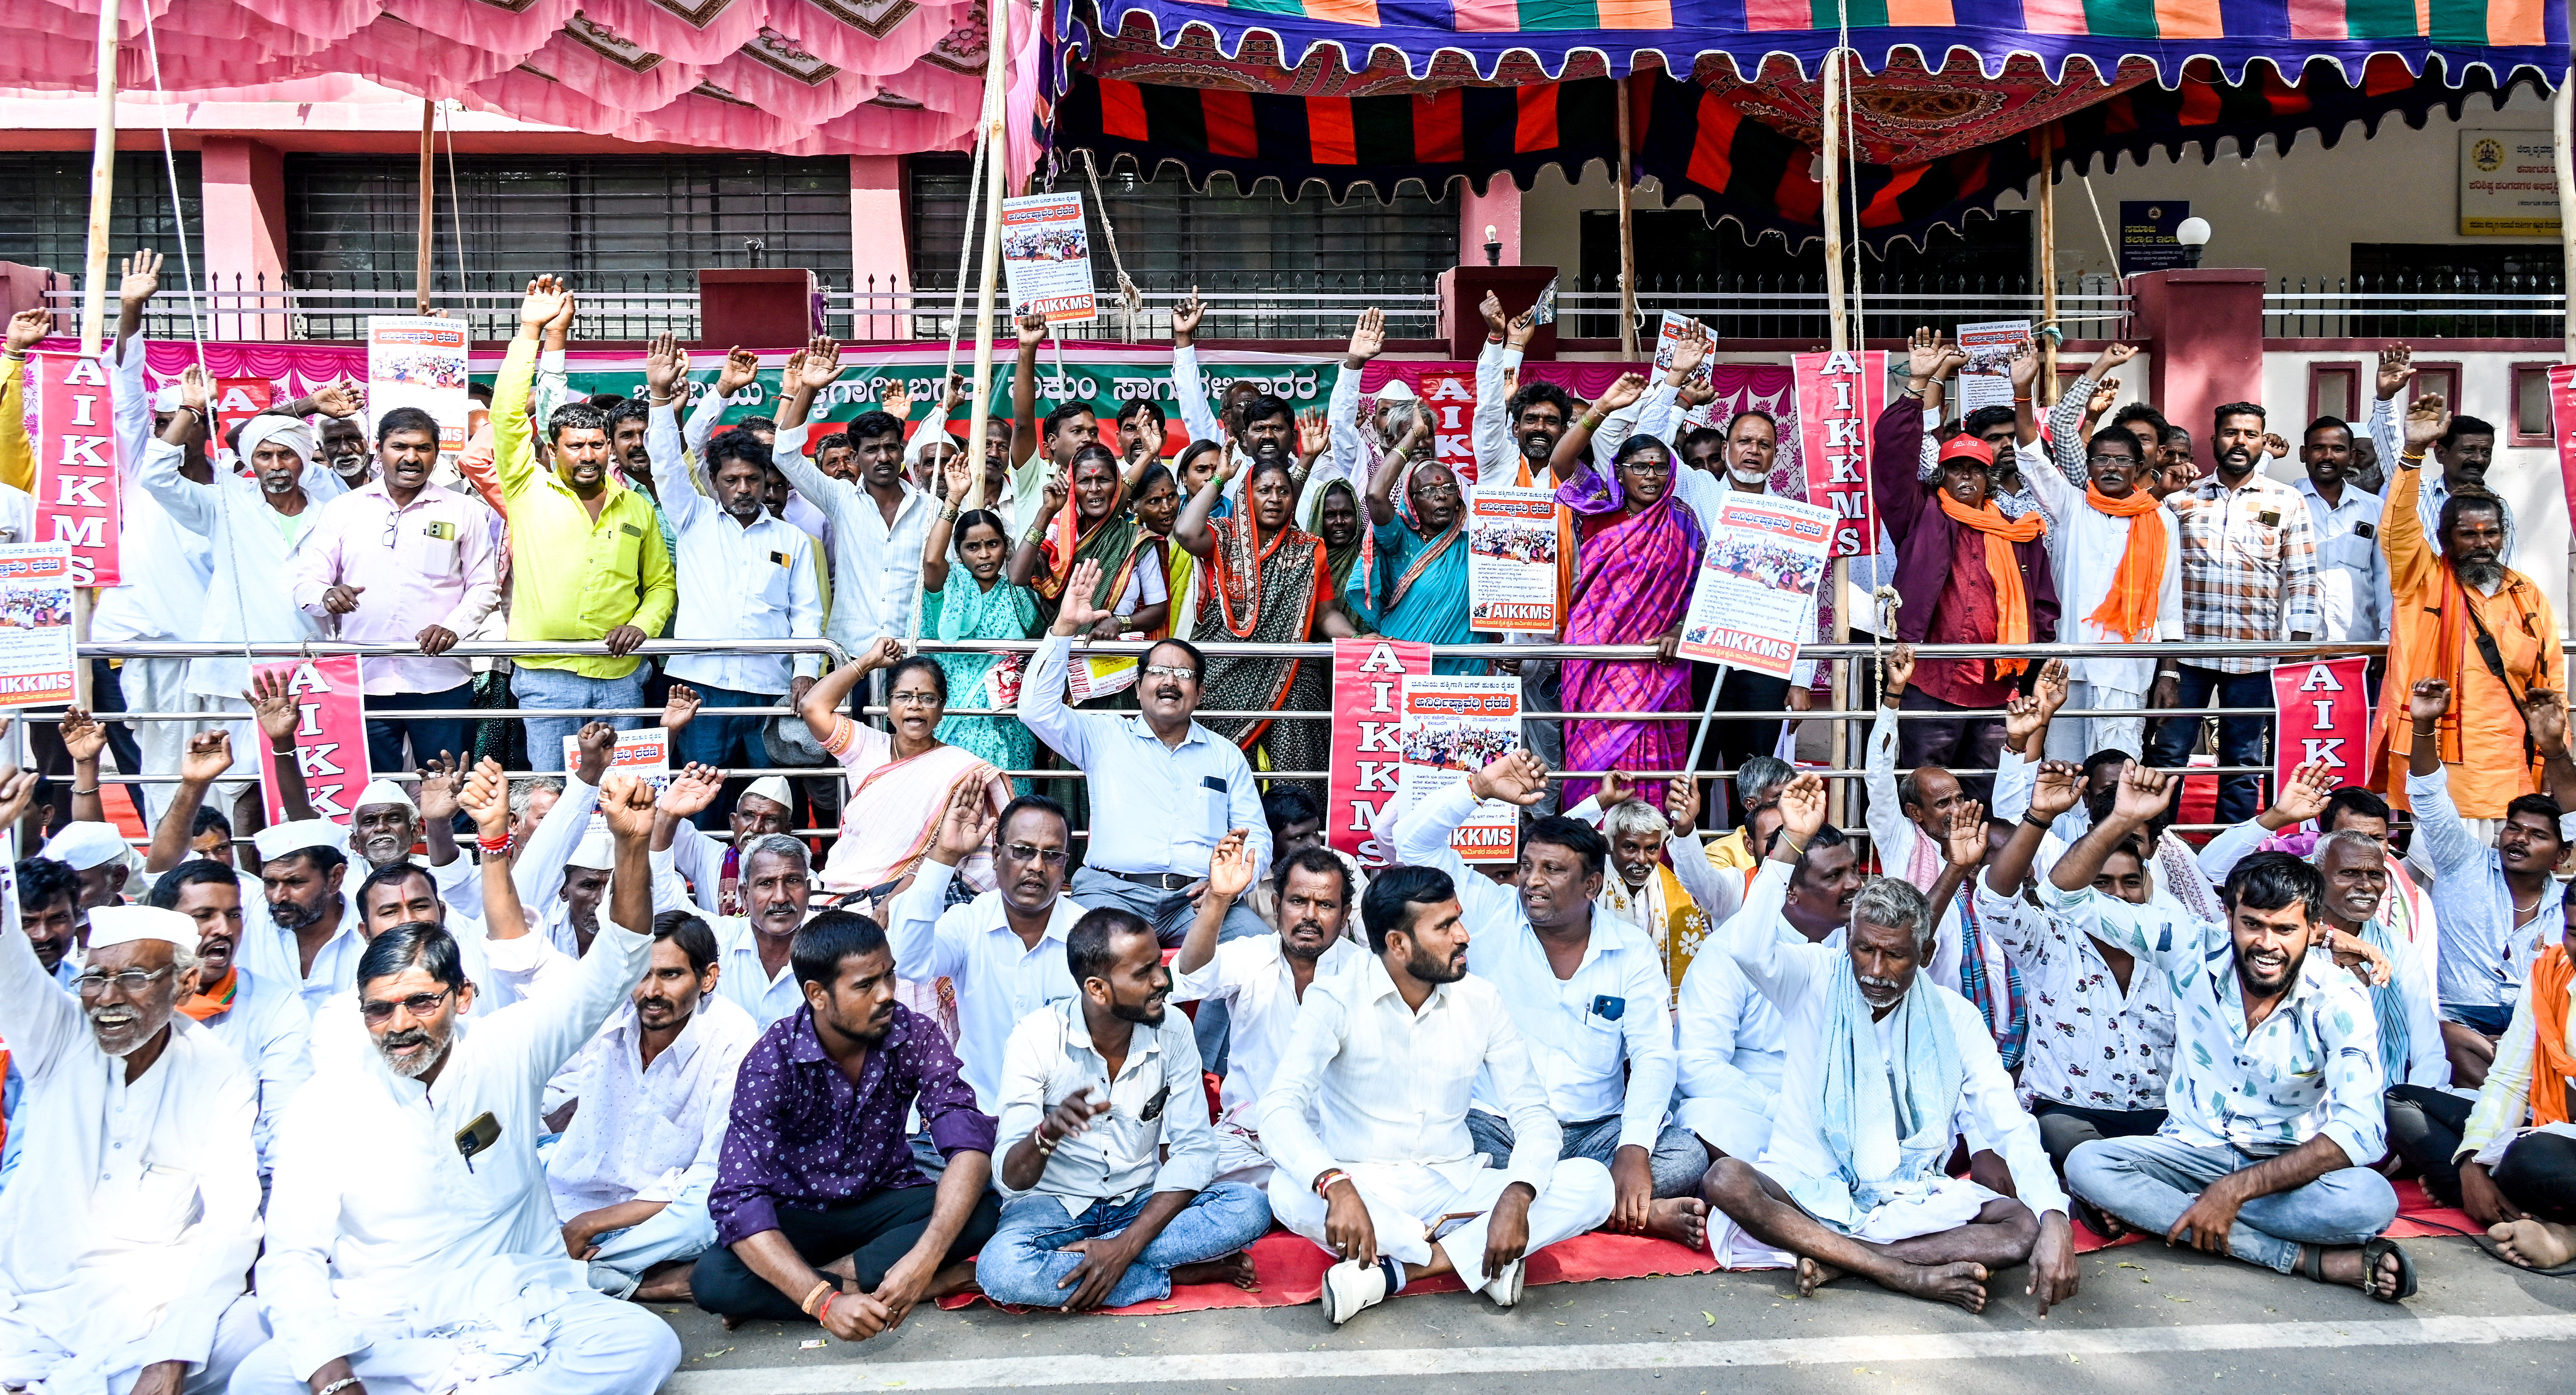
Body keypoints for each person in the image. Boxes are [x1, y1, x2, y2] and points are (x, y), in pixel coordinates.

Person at [236, 774, 681, 1395]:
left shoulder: (509, 1047)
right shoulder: (328, 1101)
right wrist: (332, 1375)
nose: (399, 1026)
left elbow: (618, 964)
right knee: (257, 1379)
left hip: (516, 1298)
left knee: (646, 1345)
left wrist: (631, 848)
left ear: (463, 997)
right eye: (380, 1009)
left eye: (421, 1002)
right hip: (384, 1317)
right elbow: (292, 1253)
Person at [1699, 774, 2078, 1314]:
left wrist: (2057, 1219)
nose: (1875, 970)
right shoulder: (1814, 976)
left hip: (1906, 1194)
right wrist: (1790, 843)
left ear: (1924, 952)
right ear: (1848, 942)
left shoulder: (1955, 1017)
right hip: (1808, 1185)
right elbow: (1748, 947)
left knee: (2020, 1223)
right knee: (1727, 1179)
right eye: (1864, 950)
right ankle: (1900, 1271)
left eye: (1894, 955)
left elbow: (2007, 1121)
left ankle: (1843, 1257)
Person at [2047, 764, 2414, 1302]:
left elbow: (2360, 1132)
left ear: (2315, 929)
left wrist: (2236, 1189)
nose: (2265, 944)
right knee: (2088, 1163)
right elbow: (2064, 896)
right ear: (2229, 916)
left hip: (2284, 1162)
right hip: (2190, 1149)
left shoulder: (2340, 995)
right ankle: (2301, 1259)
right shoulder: (2193, 945)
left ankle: (2168, 1212)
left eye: (2284, 929)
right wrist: (2120, 820)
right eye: (2252, 924)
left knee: (2368, 1200)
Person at [1260, 863, 1616, 1324]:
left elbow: (1532, 1112)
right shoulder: (1336, 997)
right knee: (1286, 1187)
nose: (1464, 935)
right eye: (1446, 926)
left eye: (1459, 919)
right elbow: (1278, 1109)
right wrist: (1336, 1183)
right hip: (1367, 1191)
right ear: (1398, 943)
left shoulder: (1482, 999)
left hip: (1459, 1186)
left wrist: (1519, 1192)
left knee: (1592, 1181)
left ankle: (1393, 1272)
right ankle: (1477, 1259)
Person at [1400, 750, 1705, 1245]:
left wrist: (1632, 1146)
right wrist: (1477, 786)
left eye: (1552, 870)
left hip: (1595, 1132)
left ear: (1592, 884)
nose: (1532, 881)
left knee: (1685, 1155)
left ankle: (1538, 1203)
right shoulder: (1491, 911)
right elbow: (1411, 842)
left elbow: (1652, 1052)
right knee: (1443, 1160)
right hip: (1498, 1127)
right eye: (1527, 866)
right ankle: (1616, 1210)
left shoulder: (1630, 950)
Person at [0, 856, 265, 1395]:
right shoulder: (58, 1035)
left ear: (185, 981)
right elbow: (9, 964)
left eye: (135, 978)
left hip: (145, 1314)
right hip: (28, 1302)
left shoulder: (219, 1073)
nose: (108, 998)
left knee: (254, 1331)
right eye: (95, 978)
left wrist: (173, 1354)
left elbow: (232, 1225)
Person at [692, 911, 1001, 1332]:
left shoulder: (914, 1034)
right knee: (714, 1279)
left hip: (881, 1201)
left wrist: (923, 1257)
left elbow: (967, 1141)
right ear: (818, 994)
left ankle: (821, 1282)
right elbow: (739, 1197)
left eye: (889, 976)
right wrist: (824, 1301)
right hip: (797, 1211)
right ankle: (902, 1286)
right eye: (865, 985)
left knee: (983, 1207)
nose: (887, 994)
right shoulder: (772, 1059)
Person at [980, 906, 1271, 1309]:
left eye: (1158, 964)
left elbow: (1194, 1151)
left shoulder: (1173, 1028)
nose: (1161, 981)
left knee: (1249, 1207)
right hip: (1055, 1210)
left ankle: (1111, 1264)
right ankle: (1171, 1274)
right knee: (1002, 1269)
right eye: (1143, 972)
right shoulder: (1035, 1037)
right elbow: (1011, 1179)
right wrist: (1047, 1135)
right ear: (1097, 989)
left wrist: (1124, 1247)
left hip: (1140, 1202)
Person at [1023, 559, 1270, 947]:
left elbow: (1256, 834)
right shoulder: (1103, 734)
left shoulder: (1225, 756)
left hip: (1197, 900)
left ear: (1200, 693)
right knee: (1083, 954)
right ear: (1138, 688)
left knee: (1260, 956)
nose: (1171, 681)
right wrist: (1065, 628)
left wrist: (1230, 886)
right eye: (1158, 672)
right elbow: (1035, 710)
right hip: (1112, 894)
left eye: (1185, 675)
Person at [491, 276, 678, 774]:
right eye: (576, 445)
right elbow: (507, 413)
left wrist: (642, 624)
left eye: (598, 444)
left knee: (626, 797)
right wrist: (531, 330)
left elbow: (660, 584)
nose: (589, 454)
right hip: (547, 677)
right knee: (553, 797)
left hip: (621, 679)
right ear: (553, 450)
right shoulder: (527, 488)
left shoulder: (634, 506)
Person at [642, 336, 825, 808]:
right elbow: (667, 458)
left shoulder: (792, 541)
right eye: (731, 479)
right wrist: (679, 395)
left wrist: (805, 672)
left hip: (770, 689)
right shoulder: (693, 517)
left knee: (769, 804)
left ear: (768, 482)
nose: (743, 488)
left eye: (752, 479)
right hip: (699, 689)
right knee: (699, 804)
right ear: (714, 481)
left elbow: (807, 614)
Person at [543, 909, 760, 1302]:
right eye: (643, 974)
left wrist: (589, 1225)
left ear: (708, 977)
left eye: (670, 974)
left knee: (715, 1214)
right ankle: (638, 1281)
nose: (652, 990)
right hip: (572, 1198)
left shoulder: (733, 1035)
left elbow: (710, 1174)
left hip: (659, 1215)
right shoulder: (607, 1017)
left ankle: (574, 1270)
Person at [1977, 760, 2178, 1176]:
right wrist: (2039, 817)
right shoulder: (2048, 940)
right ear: (2081, 893)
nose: (2118, 894)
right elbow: (1997, 900)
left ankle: (2116, 1194)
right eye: (2102, 883)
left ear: (2148, 887)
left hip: (2159, 1119)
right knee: (2085, 1159)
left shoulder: (2176, 947)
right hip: (2068, 1114)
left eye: (2130, 882)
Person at [1872, 343, 2058, 778]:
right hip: (1930, 684)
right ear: (1942, 475)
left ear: (1989, 477)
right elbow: (1894, 455)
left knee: (1988, 799)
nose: (1966, 477)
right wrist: (1917, 384)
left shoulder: (2020, 532)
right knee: (1923, 794)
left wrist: (2031, 679)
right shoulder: (1919, 514)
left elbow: (2044, 610)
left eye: (1975, 469)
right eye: (1956, 469)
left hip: (1997, 691)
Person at [2374, 394, 2563, 820]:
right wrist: (2413, 453)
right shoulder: (2422, 580)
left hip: (2511, 764)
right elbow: (2397, 529)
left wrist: (2555, 752)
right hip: (2437, 757)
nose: (2482, 543)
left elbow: (2552, 684)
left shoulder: (2524, 593)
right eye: (2469, 534)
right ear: (2445, 539)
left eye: (2491, 533)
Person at [138, 367, 348, 752]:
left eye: (287, 454)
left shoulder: (335, 513)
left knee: (301, 789)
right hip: (233, 674)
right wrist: (190, 409)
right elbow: (155, 477)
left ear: (304, 460)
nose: (276, 464)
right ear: (253, 461)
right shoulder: (225, 501)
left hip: (308, 676)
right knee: (240, 790)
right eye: (264, 456)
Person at [293, 403, 504, 777]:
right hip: (363, 679)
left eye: (423, 448)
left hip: (442, 680)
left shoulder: (463, 510)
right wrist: (327, 595)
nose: (412, 457)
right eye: (400, 447)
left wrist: (454, 627)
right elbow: (307, 583)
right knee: (374, 793)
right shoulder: (343, 509)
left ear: (437, 454)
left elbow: (484, 585)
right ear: (379, 450)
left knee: (448, 789)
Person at [2149, 400, 2322, 826]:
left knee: (2243, 764)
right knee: (2169, 755)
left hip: (2255, 656)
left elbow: (2302, 577)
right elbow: (2157, 573)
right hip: (2187, 654)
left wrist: (2297, 651)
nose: (2240, 441)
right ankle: (2157, 848)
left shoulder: (2287, 500)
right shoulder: (2181, 500)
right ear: (2214, 440)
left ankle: (2233, 856)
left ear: (2263, 441)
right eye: (2231, 432)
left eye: (2250, 433)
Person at [2398, 678, 2576, 1089]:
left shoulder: (2567, 901)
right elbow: (2428, 797)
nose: (2519, 838)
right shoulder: (2463, 861)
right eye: (2514, 829)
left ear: (2562, 854)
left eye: (2537, 835)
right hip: (2456, 1020)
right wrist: (2424, 727)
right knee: (2445, 1040)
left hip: (2536, 1024)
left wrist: (2554, 748)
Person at [1670, 795, 1865, 1166]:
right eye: (1835, 876)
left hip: (1838, 1108)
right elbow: (1698, 1067)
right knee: (1704, 1122)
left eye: (1854, 870)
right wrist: (1782, 1108)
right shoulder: (1728, 951)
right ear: (1790, 892)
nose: (1855, 884)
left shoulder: (1860, 943)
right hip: (1758, 1115)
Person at [1173, 833, 1364, 1183]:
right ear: (1277, 906)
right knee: (1192, 1172)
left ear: (1345, 914)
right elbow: (1192, 975)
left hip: (1335, 1149)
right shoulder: (1251, 955)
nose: (1310, 915)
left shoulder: (1366, 973)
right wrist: (1219, 897)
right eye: (1298, 901)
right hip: (1248, 1144)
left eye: (1325, 905)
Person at [886, 786, 1085, 1112]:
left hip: (1062, 1127)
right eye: (1022, 850)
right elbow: (909, 961)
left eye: (1052, 854)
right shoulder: (969, 922)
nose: (1036, 865)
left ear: (1065, 865)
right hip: (976, 1114)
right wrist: (944, 857)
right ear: (996, 856)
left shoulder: (1088, 933)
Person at [1546, 409, 1704, 811]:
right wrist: (1601, 409)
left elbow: (1703, 589)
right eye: (1640, 467)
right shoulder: (1600, 505)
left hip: (1658, 661)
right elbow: (1561, 464)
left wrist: (1681, 628)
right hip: (1596, 659)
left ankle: (1655, 862)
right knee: (1591, 759)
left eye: (1660, 467)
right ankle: (1588, 855)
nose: (1651, 476)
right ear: (1619, 472)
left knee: (1656, 771)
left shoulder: (1683, 521)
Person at [1172, 453, 1355, 779]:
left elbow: (1326, 614)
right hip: (1226, 673)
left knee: (1296, 778)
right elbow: (1185, 532)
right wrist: (1219, 479)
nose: (1275, 499)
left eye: (1284, 491)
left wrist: (1356, 640)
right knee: (1223, 775)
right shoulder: (1225, 536)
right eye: (1265, 490)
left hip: (1291, 673)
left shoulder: (1309, 548)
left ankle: (1295, 829)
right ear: (1247, 494)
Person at [2017, 397, 2180, 762]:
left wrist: (2170, 674)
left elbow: (2169, 605)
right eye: (2101, 459)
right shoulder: (2070, 506)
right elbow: (2030, 455)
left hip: (2126, 671)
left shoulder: (2162, 520)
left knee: (2117, 774)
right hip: (2066, 670)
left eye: (2122, 460)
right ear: (2088, 467)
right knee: (2062, 771)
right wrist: (2022, 392)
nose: (2111, 467)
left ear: (2139, 466)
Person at [796, 638, 1012, 910]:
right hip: (844, 896)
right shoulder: (865, 746)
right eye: (904, 697)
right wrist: (869, 662)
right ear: (888, 706)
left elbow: (955, 852)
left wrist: (894, 898)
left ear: (942, 709)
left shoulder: (962, 769)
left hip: (914, 898)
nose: (915, 705)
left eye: (927, 698)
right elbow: (812, 707)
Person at [767, 343, 937, 663]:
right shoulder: (840, 498)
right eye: (872, 450)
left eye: (891, 447)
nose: (883, 457)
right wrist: (808, 389)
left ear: (903, 451)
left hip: (912, 656)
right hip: (849, 658)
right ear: (857, 457)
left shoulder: (932, 509)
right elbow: (786, 455)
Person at [147, 859, 314, 1178]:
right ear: (165, 924)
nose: (223, 929)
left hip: (247, 1182)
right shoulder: (132, 1003)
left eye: (234, 915)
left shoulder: (275, 1005)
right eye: (204, 916)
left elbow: (287, 1127)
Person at [2452, 877, 2576, 1271]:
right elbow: (2508, 1079)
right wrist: (2472, 1162)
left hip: (2553, 1146)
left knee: (2531, 1159)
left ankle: (2567, 1236)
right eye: (2575, 932)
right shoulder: (2551, 974)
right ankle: (2502, 1198)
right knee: (2407, 1107)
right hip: (2552, 1128)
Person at [920, 451, 1041, 791]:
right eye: (973, 547)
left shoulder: (1021, 596)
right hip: (955, 722)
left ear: (1006, 547)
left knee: (1008, 818)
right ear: (959, 553)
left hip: (1009, 728)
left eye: (993, 544)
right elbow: (931, 561)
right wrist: (953, 498)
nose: (985, 554)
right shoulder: (950, 588)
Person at [1361, 411, 1484, 673]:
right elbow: (1375, 495)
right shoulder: (1399, 537)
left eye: (1449, 488)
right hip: (1403, 670)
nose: (1441, 496)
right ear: (1411, 499)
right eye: (1428, 491)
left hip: (1464, 675)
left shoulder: (1475, 548)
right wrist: (1414, 436)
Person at [1565, 770, 1710, 992]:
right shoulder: (1589, 881)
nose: (1642, 860)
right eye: (1630, 847)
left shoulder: (1676, 887)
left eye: (1651, 848)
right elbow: (1555, 839)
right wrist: (1602, 800)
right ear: (1611, 844)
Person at [2294, 415, 2389, 649]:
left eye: (2338, 449)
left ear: (2352, 456)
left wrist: (2386, 640)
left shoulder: (2374, 508)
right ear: (2304, 454)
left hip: (2358, 644)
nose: (2328, 456)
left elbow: (2384, 578)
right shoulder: (2285, 501)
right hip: (2293, 647)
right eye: (2319, 448)